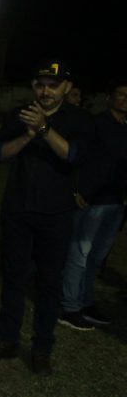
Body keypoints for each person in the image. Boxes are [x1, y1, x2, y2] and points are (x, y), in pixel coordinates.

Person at [0, 62, 92, 375]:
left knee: (49, 282)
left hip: (56, 214)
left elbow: (73, 155)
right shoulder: (20, 114)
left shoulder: (79, 119)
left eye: (53, 85)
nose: (46, 91)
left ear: (67, 88)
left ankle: (42, 348)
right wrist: (27, 136)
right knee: (13, 277)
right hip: (18, 209)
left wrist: (44, 129)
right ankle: (7, 339)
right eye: (41, 84)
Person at [58, 78, 127, 329]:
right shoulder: (96, 124)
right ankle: (69, 306)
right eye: (121, 94)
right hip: (92, 200)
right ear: (109, 98)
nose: (125, 99)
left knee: (96, 258)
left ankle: (85, 302)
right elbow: (77, 157)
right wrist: (76, 188)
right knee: (79, 255)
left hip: (116, 201)